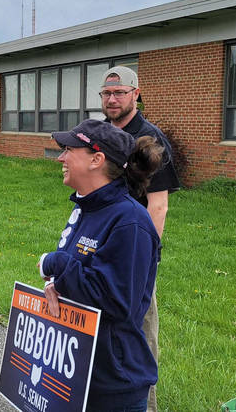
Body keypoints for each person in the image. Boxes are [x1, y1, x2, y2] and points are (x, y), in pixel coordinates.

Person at [39, 119, 163, 412]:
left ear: (96, 159)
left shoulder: (130, 222)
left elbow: (117, 301)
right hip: (79, 370)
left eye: (69, 149)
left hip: (113, 383)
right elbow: (81, 274)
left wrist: (57, 263)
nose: (61, 157)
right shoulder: (87, 206)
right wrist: (54, 285)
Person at [100, 66, 179, 412]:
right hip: (98, 247)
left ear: (136, 93)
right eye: (106, 93)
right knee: (100, 331)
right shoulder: (100, 133)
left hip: (133, 254)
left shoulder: (149, 139)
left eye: (119, 93)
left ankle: (144, 406)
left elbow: (158, 205)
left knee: (140, 332)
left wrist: (142, 258)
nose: (112, 99)